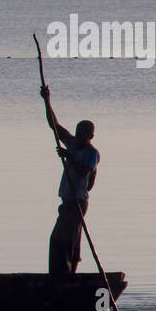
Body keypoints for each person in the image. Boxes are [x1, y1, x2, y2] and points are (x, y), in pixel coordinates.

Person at [41, 85, 100, 276]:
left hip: (78, 202)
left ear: (91, 136)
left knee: (65, 239)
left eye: (84, 134)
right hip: (67, 202)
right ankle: (61, 275)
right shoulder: (73, 144)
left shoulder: (92, 153)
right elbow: (55, 126)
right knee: (62, 240)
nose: (79, 137)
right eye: (78, 133)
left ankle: (68, 275)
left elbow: (84, 173)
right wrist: (47, 100)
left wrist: (69, 157)